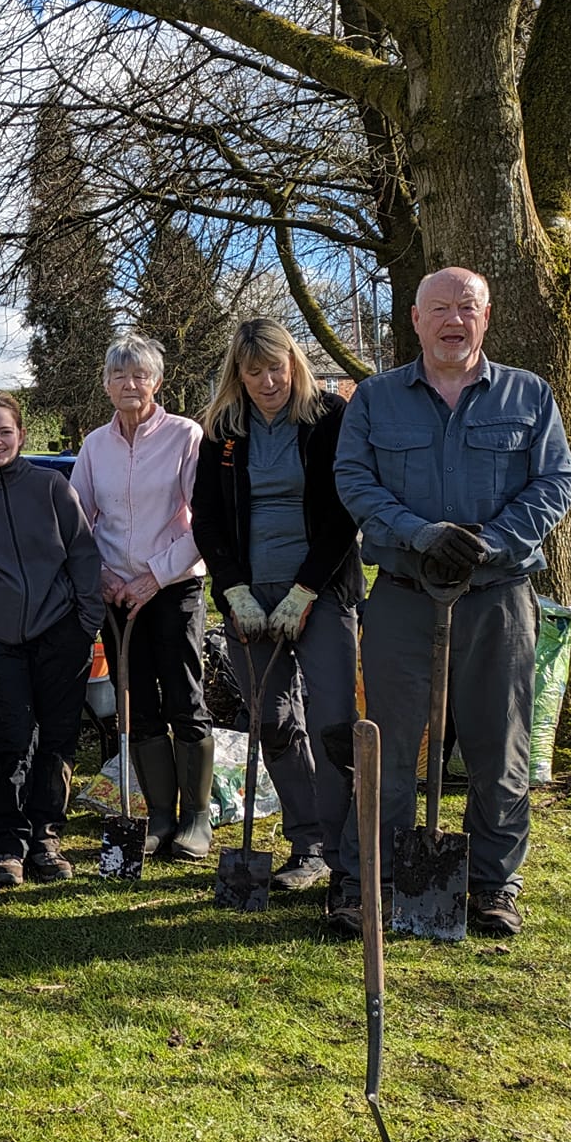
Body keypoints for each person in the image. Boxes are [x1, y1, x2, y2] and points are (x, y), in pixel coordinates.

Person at [331, 267, 571, 938]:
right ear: (414, 319)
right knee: (388, 746)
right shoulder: (377, 400)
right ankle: (367, 881)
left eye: (466, 306)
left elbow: (557, 482)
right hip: (405, 599)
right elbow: (352, 478)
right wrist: (420, 533)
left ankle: (494, 886)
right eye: (439, 307)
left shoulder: (530, 395)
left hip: (497, 599)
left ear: (486, 317)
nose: (453, 319)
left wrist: (489, 541)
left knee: (501, 749)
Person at [191, 318, 362, 895]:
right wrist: (233, 588)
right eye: (255, 371)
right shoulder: (223, 431)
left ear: (295, 362)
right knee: (274, 724)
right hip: (249, 598)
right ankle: (308, 843)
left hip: (321, 590)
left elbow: (345, 510)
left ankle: (347, 855)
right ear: (237, 375)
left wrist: (306, 589)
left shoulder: (328, 419)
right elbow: (208, 516)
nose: (269, 381)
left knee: (333, 723)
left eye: (277, 367)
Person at [0, 392, 103, 886]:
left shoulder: (53, 487)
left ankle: (46, 840)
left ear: (21, 435)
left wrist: (87, 620)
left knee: (57, 739)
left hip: (62, 634)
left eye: (4, 431)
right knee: (10, 742)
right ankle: (8, 845)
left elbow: (82, 553)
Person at [71, 334, 213, 861]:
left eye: (139, 376)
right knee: (140, 704)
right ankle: (158, 815)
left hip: (172, 588)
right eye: (118, 376)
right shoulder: (94, 445)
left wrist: (154, 575)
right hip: (116, 593)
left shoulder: (184, 436)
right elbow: (79, 520)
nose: (129, 385)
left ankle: (196, 819)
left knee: (184, 697)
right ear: (106, 384)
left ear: (157, 381)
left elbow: (206, 522)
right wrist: (103, 575)